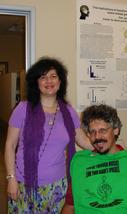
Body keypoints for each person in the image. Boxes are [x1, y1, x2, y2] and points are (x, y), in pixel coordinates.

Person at [4, 57, 93, 213]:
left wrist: (108, 147)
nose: (48, 81)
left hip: (58, 186)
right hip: (25, 185)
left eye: (53, 76)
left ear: (60, 82)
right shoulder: (23, 109)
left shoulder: (68, 111)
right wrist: (11, 179)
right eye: (43, 77)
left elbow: (83, 140)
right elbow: (10, 146)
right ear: (36, 83)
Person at [62, 104, 127, 214]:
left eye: (103, 130)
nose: (97, 137)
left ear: (115, 130)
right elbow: (70, 205)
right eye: (92, 132)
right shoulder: (79, 161)